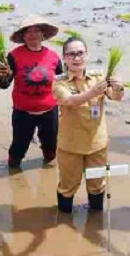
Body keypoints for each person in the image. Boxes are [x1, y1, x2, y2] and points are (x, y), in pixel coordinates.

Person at [53, 37, 124, 213]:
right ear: (65, 58)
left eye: (80, 53)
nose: (76, 58)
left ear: (87, 55)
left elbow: (116, 97)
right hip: (71, 146)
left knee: (97, 184)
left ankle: (95, 219)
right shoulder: (59, 81)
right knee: (68, 186)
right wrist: (92, 92)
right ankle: (64, 222)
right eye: (71, 54)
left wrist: (119, 87)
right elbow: (69, 101)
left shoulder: (98, 77)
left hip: (97, 144)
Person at [0, 15, 63, 169]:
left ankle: (48, 172)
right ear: (23, 36)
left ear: (43, 34)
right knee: (18, 147)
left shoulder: (53, 56)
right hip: (23, 112)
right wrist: (3, 75)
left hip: (49, 111)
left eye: (37, 31)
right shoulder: (14, 56)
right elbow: (4, 85)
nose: (33, 35)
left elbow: (61, 82)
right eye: (28, 31)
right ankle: (13, 172)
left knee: (51, 146)